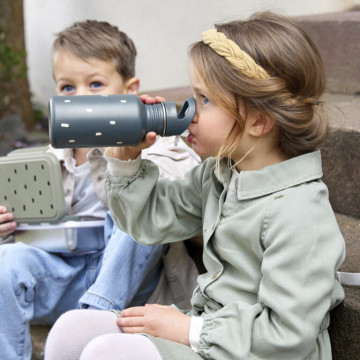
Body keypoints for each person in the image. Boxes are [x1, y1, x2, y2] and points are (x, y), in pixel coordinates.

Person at [44, 11, 346, 360]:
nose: (189, 111)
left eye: (204, 99)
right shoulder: (220, 175)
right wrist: (127, 159)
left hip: (254, 350)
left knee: (108, 352)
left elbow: (287, 334)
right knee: (72, 331)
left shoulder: (298, 212)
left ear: (258, 121)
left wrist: (187, 329)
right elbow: (150, 222)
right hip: (209, 333)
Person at [0, 20, 200, 360]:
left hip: (132, 284)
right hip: (67, 275)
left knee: (137, 200)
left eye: (95, 84)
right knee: (7, 261)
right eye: (67, 88)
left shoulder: (153, 140)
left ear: (129, 90)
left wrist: (126, 151)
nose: (79, 98)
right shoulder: (51, 157)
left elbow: (184, 186)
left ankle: (94, 314)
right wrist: (7, 227)